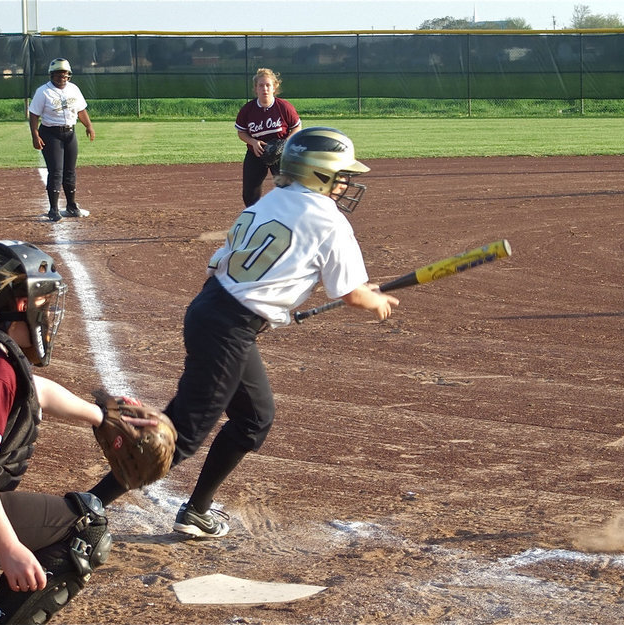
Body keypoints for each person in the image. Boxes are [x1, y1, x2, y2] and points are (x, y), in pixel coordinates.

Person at [89, 127, 399, 538]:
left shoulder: (270, 200)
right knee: (181, 434)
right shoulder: (330, 221)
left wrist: (266, 306)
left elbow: (220, 263)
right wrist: (374, 300)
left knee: (253, 419)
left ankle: (196, 511)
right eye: (340, 174)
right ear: (319, 175)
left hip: (211, 309)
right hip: (229, 328)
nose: (345, 183)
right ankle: (84, 508)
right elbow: (353, 295)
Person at [0, 240, 153, 624]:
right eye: (41, 300)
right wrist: (8, 548)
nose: (47, 311)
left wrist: (101, 416)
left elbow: (34, 390)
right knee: (84, 524)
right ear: (18, 306)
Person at [28, 58, 95, 222]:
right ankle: (53, 209)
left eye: (64, 73)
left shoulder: (73, 89)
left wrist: (89, 126)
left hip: (70, 133)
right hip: (50, 134)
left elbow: (81, 110)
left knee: (70, 171)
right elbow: (34, 114)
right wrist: (35, 135)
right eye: (58, 74)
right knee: (56, 171)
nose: (61, 77)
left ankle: (71, 206)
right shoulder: (43, 92)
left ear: (69, 75)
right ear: (52, 75)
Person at [235, 67, 301, 207]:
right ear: (256, 88)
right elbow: (241, 132)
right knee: (249, 192)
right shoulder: (247, 110)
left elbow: (296, 127)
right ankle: (256, 218)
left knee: (287, 188)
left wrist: (286, 143)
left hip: (280, 153)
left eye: (268, 85)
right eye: (261, 85)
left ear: (274, 87)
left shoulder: (284, 107)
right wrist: (252, 142)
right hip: (256, 152)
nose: (264, 89)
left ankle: (288, 217)